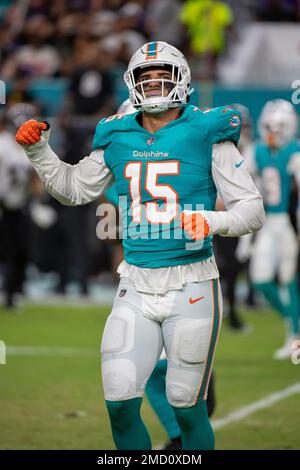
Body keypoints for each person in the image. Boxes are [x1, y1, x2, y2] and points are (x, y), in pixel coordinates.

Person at [15, 41, 264, 450]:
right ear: (131, 83)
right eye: (144, 78)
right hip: (134, 283)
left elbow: (251, 210)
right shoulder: (116, 132)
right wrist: (40, 151)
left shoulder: (208, 130)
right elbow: (74, 190)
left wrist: (211, 220)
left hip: (193, 285)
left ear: (180, 78)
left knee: (187, 406)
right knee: (119, 402)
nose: (152, 85)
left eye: (161, 75)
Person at [248, 100, 300, 359]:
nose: (272, 132)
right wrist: (246, 239)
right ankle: (295, 323)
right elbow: (247, 192)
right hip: (268, 222)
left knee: (289, 278)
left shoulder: (295, 152)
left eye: (278, 127)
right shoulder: (257, 152)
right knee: (261, 280)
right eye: (269, 126)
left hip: (289, 223)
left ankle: (294, 337)